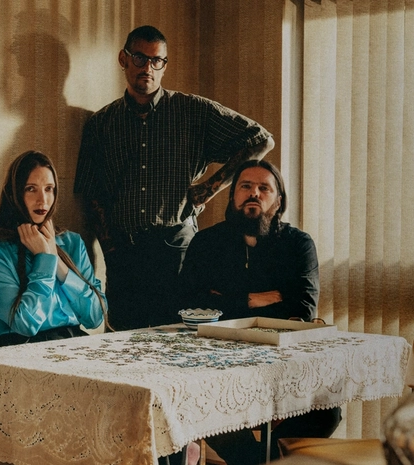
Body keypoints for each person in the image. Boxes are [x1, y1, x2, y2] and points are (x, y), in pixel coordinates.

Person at [74, 25, 276, 333]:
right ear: (123, 59)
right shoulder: (101, 124)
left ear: (165, 65)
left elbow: (261, 140)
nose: (148, 68)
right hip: (125, 255)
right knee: (126, 346)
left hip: (179, 250)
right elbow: (92, 195)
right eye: (140, 58)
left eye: (158, 61)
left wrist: (212, 186)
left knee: (184, 340)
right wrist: (110, 251)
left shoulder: (192, 111)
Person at [179, 159, 341, 464]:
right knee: (205, 405)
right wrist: (264, 297)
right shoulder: (206, 242)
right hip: (218, 359)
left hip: (281, 360)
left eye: (264, 188)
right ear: (233, 197)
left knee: (328, 410)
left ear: (277, 202)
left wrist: (226, 300)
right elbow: (190, 302)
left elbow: (304, 307)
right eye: (245, 186)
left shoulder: (299, 245)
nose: (254, 193)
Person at [0, 150, 106, 345]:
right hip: (20, 349)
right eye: (31, 189)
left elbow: (95, 316)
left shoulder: (72, 242)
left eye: (49, 188)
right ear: (15, 193)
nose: (42, 200)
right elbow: (25, 323)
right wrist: (44, 260)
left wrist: (57, 261)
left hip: (73, 344)